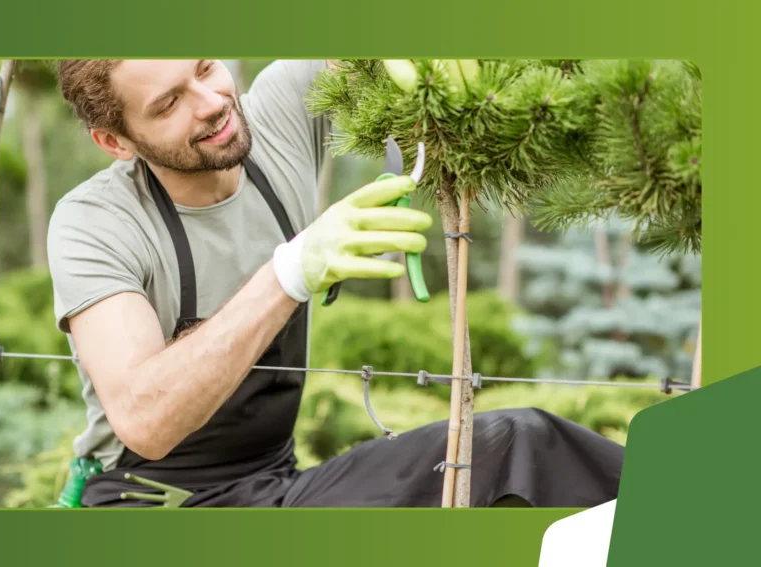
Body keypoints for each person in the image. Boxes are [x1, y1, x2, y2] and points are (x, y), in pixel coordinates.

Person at [47, 59, 624, 508]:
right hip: (152, 503)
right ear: (116, 142)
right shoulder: (95, 223)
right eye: (169, 103)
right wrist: (291, 272)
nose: (212, 103)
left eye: (204, 68)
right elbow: (144, 421)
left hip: (276, 485)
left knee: (517, 449)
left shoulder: (276, 115)